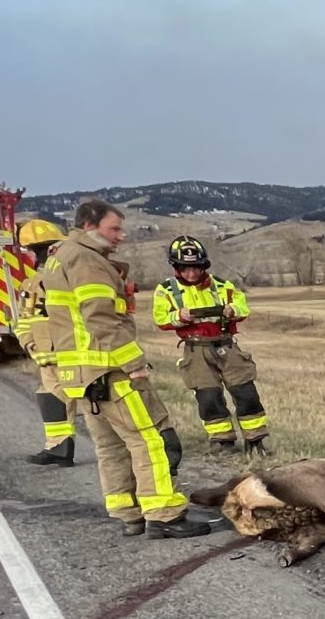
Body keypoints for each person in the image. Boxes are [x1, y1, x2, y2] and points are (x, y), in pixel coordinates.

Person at [41, 199, 213, 538]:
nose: (121, 236)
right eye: (114, 229)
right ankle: (164, 515)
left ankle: (128, 512)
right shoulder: (86, 260)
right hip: (109, 370)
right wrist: (134, 365)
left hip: (79, 376)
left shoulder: (59, 257)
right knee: (149, 439)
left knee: (109, 446)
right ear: (89, 226)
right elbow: (102, 319)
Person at [152, 235, 268, 452]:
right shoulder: (165, 290)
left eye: (196, 267)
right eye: (185, 268)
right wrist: (180, 315)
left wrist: (233, 311)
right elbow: (160, 319)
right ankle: (223, 442)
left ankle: (255, 441)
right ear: (176, 267)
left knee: (246, 392)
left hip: (227, 346)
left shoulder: (223, 285)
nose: (192, 273)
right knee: (208, 397)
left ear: (203, 265)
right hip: (196, 350)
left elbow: (243, 306)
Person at [15, 218, 76, 465]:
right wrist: (30, 346)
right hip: (47, 357)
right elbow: (24, 321)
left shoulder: (70, 279)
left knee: (98, 406)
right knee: (52, 399)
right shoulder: (30, 285)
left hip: (76, 354)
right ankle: (57, 448)